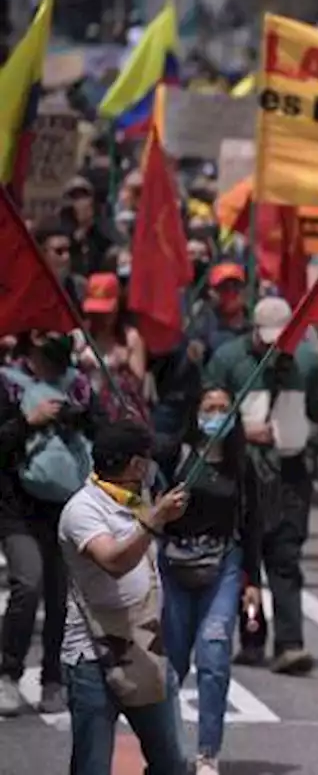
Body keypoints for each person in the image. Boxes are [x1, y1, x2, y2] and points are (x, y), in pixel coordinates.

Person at [204, 297, 318, 674]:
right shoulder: (228, 360)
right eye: (267, 338)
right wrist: (240, 431)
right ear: (253, 330)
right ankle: (253, 637)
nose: (274, 345)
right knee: (247, 560)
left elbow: (316, 411)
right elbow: (207, 415)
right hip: (244, 471)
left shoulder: (307, 361)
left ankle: (291, 644)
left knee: (286, 556)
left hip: (290, 471)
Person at [58, 420, 190, 775]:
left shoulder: (138, 499)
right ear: (135, 466)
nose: (151, 466)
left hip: (145, 646)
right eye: (147, 459)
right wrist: (154, 520)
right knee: (92, 767)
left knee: (174, 764)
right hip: (92, 656)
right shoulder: (82, 509)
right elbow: (114, 561)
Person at [155, 387, 262, 775]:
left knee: (214, 656)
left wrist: (253, 580)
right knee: (173, 665)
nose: (216, 414)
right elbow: (149, 507)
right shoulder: (173, 455)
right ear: (196, 413)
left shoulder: (241, 464)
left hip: (223, 564)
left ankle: (206, 754)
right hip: (174, 565)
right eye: (209, 408)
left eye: (223, 409)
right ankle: (166, 752)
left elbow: (252, 524)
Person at [0, 332, 104, 717]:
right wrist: (29, 422)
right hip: (16, 508)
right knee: (28, 582)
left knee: (62, 596)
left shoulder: (79, 387)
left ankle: (53, 680)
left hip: (66, 507)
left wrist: (82, 417)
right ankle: (9, 674)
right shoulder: (8, 385)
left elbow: (104, 435)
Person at [78, 272, 150, 422]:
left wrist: (123, 365)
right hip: (85, 413)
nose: (101, 318)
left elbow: (138, 386)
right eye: (96, 313)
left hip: (118, 416)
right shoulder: (80, 336)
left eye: (106, 313)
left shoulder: (130, 338)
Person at [35, 219, 88, 305]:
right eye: (59, 251)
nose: (66, 257)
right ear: (42, 253)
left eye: (69, 250)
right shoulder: (31, 290)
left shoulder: (80, 288)